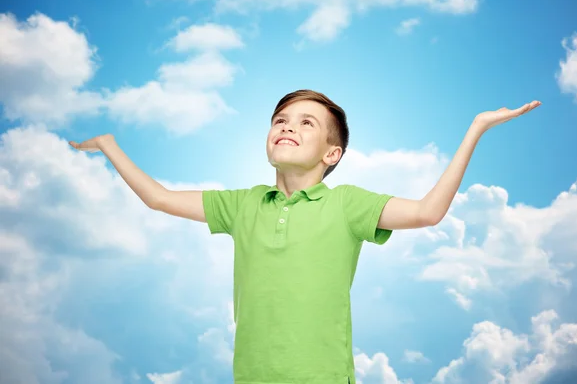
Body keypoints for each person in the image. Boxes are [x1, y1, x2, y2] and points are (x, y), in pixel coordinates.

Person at [69, 89, 541, 384]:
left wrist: (476, 129)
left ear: (332, 153)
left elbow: (427, 211)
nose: (287, 127)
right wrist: (110, 146)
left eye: (305, 123)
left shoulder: (347, 204)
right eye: (280, 121)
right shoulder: (242, 204)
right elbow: (159, 198)